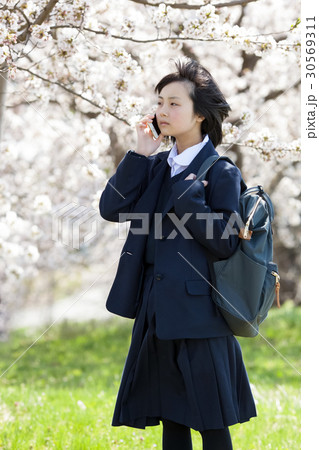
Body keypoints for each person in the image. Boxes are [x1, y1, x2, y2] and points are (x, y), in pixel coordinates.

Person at [99, 58, 257, 450]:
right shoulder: (154, 166)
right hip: (157, 309)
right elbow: (111, 209)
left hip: (200, 314)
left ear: (200, 114)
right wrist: (139, 154)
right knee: (173, 419)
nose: (162, 111)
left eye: (174, 103)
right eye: (160, 102)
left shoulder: (221, 171)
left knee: (211, 422)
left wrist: (188, 200)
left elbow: (225, 240)